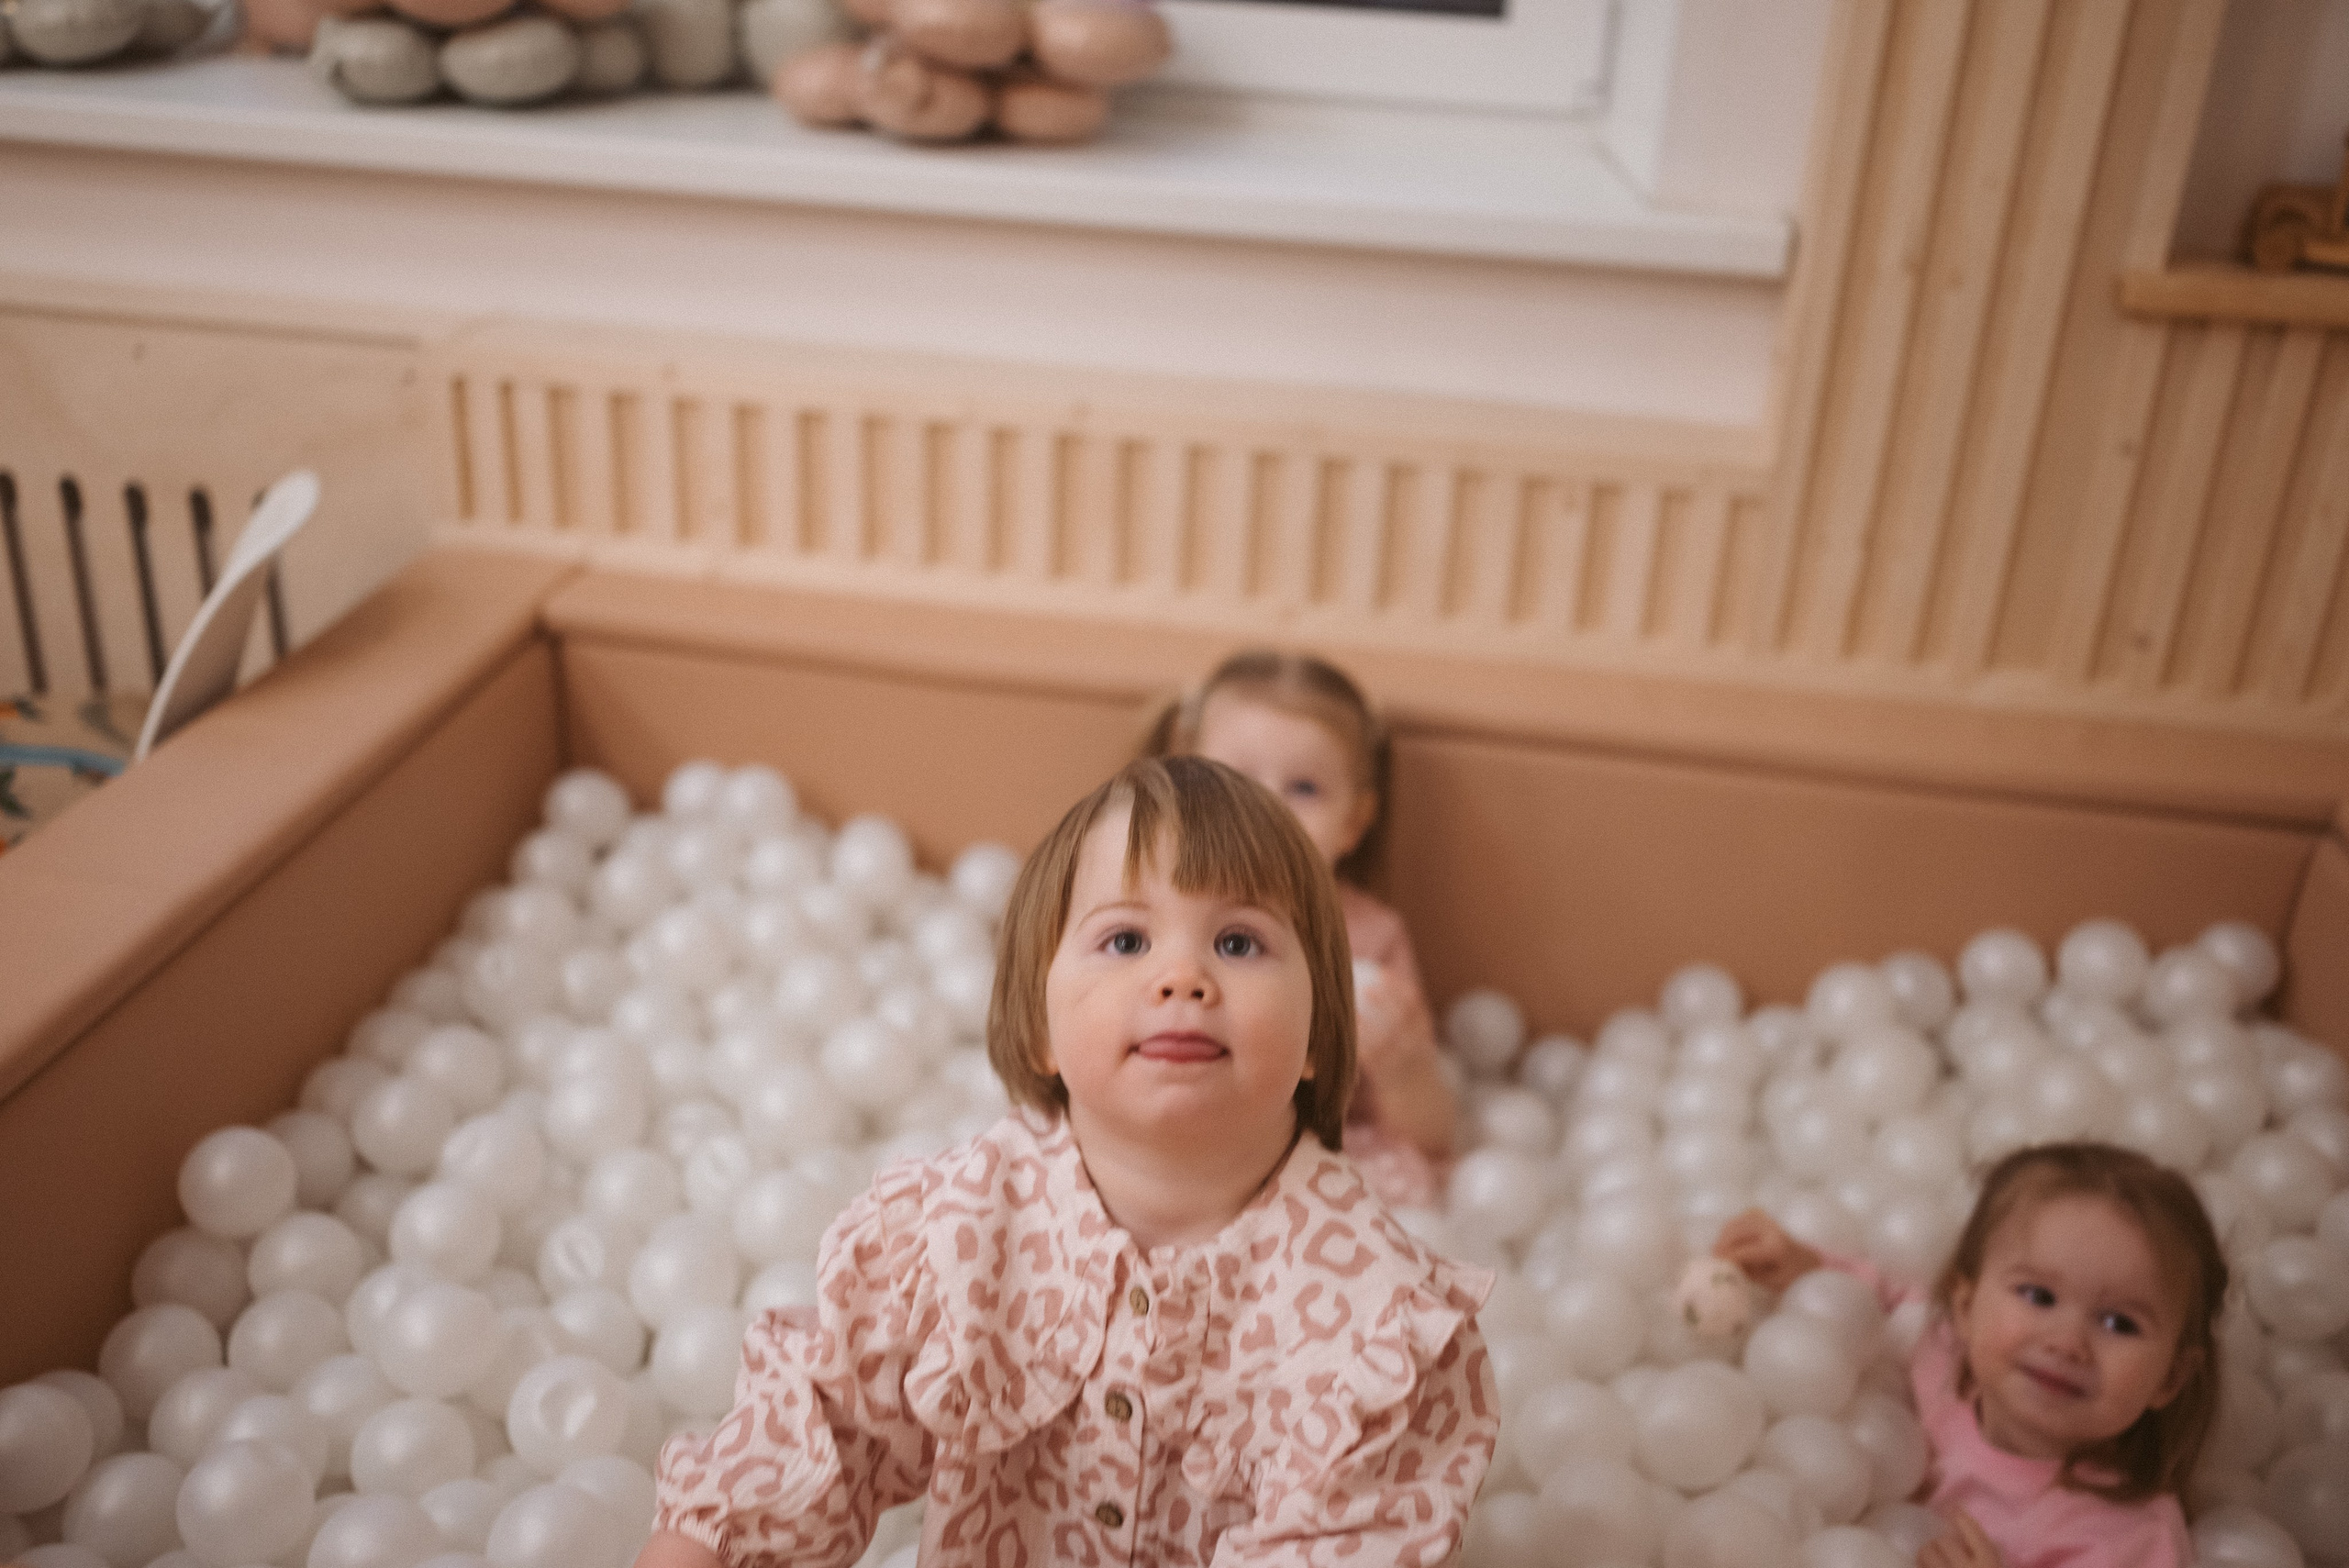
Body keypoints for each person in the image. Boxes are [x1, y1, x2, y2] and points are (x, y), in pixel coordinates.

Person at [638, 755, 1499, 1568]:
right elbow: (820, 1430)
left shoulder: (1370, 1324)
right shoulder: (962, 1227)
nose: (1183, 976)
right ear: (1041, 1025)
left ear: (1319, 1033)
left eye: (1239, 942)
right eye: (1126, 941)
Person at [1715, 1142, 2225, 1568]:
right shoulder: (1946, 1355)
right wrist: (1810, 1270)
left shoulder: (2126, 1538)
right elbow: (1890, 1298)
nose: (2067, 1343)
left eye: (2119, 1323)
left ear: (2170, 1379)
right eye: (2039, 1296)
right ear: (1965, 1307)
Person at [1145, 650, 1456, 1207]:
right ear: (1183, 788)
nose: (1266, 810)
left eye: (1305, 789)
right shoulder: (1152, 905)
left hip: (1314, 1152)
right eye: (1234, 780)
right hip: (1188, 1129)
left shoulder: (1371, 936)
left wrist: (1403, 1067)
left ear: (1354, 822)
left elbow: (1430, 1138)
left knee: (1405, 1183)